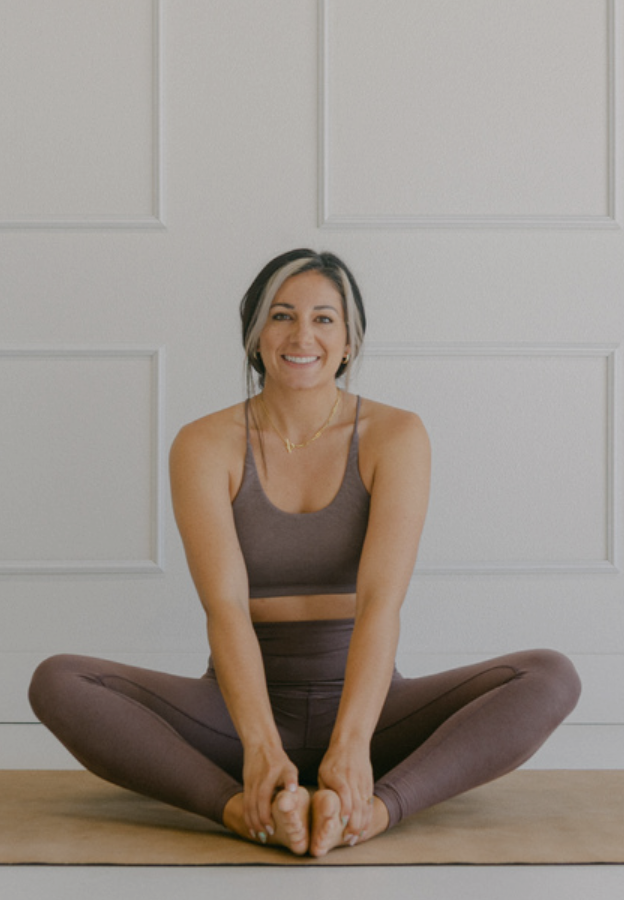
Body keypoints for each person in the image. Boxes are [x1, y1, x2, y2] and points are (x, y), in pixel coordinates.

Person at [30, 249, 579, 856]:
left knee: (549, 676)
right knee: (58, 680)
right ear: (255, 334)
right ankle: (244, 809)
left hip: (371, 710)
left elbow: (380, 604)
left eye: (323, 319)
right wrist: (261, 748)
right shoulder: (204, 443)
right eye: (282, 315)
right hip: (237, 714)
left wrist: (352, 744)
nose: (301, 336)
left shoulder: (395, 435)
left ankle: (371, 812)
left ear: (349, 342)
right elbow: (225, 609)